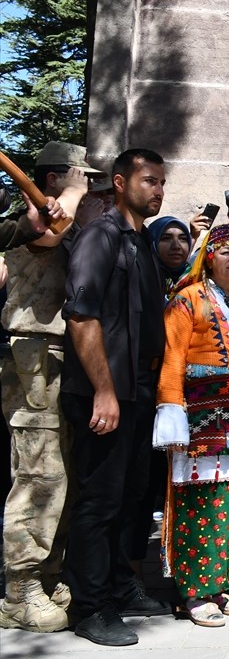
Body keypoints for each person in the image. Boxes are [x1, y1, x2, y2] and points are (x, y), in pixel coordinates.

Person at [62, 148, 171, 646]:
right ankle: (90, 607)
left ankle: (121, 587)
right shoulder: (100, 235)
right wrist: (104, 391)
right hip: (105, 392)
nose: (158, 190)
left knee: (130, 500)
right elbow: (82, 315)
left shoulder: (142, 240)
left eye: (161, 182)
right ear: (121, 182)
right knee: (100, 501)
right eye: (149, 180)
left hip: (139, 393)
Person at [151, 225, 229, 627]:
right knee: (202, 500)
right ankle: (196, 590)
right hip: (200, 417)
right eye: (225, 251)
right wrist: (170, 410)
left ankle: (226, 583)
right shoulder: (189, 299)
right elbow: (172, 357)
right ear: (209, 257)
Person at [0, 143, 96, 633]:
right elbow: (47, 235)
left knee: (66, 473)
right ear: (57, 177)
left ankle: (48, 574)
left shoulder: (67, 214)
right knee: (40, 473)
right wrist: (73, 194)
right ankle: (19, 590)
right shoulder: (29, 219)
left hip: (65, 354)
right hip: (33, 352)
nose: (91, 186)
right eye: (82, 176)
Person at [148, 216, 194, 296]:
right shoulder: (141, 281)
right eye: (166, 238)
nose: (176, 246)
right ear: (152, 243)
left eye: (183, 239)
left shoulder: (198, 281)